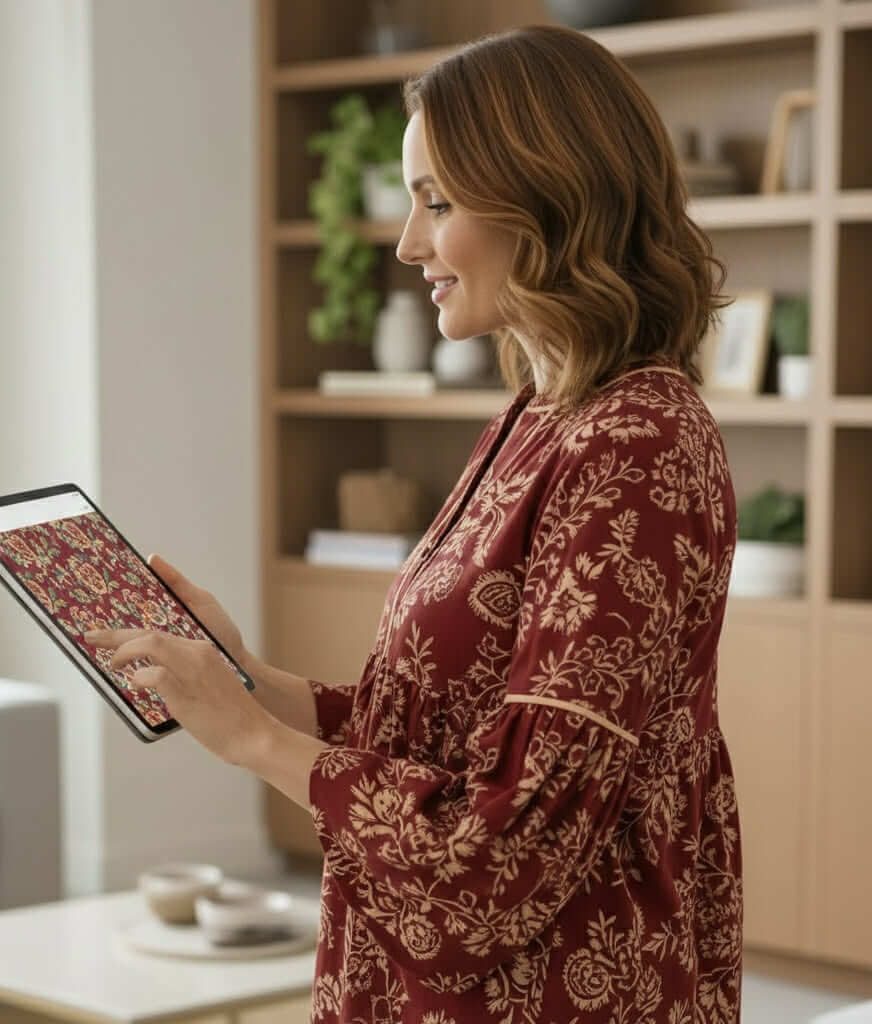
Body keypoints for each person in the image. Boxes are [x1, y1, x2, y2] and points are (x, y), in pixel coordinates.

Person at [86, 23, 743, 1024]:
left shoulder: (634, 445)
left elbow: (514, 848)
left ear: (547, 194)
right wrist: (246, 679)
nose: (406, 242)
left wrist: (254, 743)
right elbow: (450, 729)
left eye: (436, 200)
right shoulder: (541, 415)